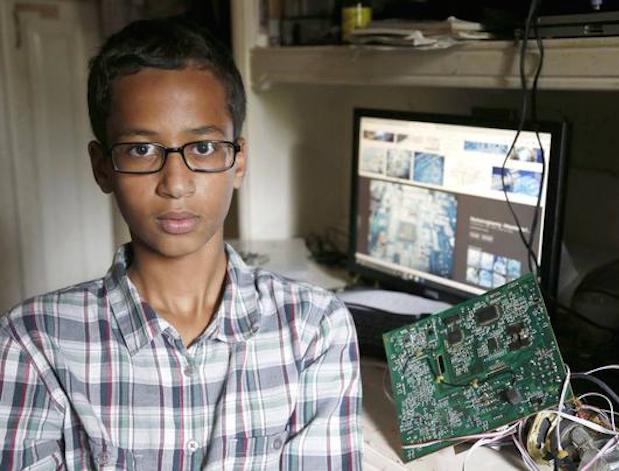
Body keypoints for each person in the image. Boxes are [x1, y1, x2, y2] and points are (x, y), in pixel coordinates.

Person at [0, 17, 362, 470]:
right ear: (102, 167)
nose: (175, 184)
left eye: (204, 148)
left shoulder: (313, 327)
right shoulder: (34, 341)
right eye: (141, 150)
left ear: (238, 161)